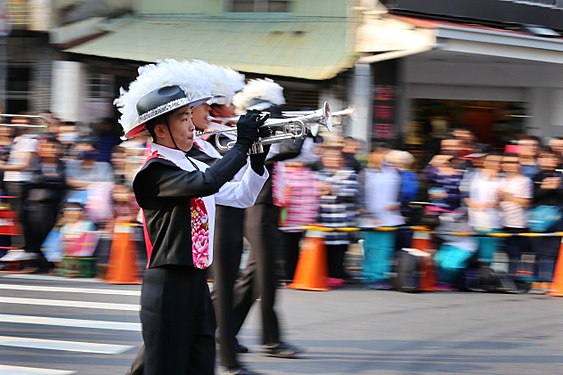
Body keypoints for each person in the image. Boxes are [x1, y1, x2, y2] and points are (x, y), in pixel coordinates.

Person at [114, 64, 269, 373]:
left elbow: (242, 197)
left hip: (198, 285)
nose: (192, 127)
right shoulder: (153, 172)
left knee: (200, 367)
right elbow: (209, 183)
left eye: (189, 117)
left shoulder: (192, 166)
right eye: (183, 119)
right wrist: (240, 145)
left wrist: (256, 159)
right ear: (160, 130)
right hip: (167, 287)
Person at [230, 78, 302, 359]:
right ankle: (272, 341)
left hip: (265, 205)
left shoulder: (265, 123)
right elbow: (289, 149)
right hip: (259, 206)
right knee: (268, 276)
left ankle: (221, 331)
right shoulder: (263, 123)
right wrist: (300, 131)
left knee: (254, 277)